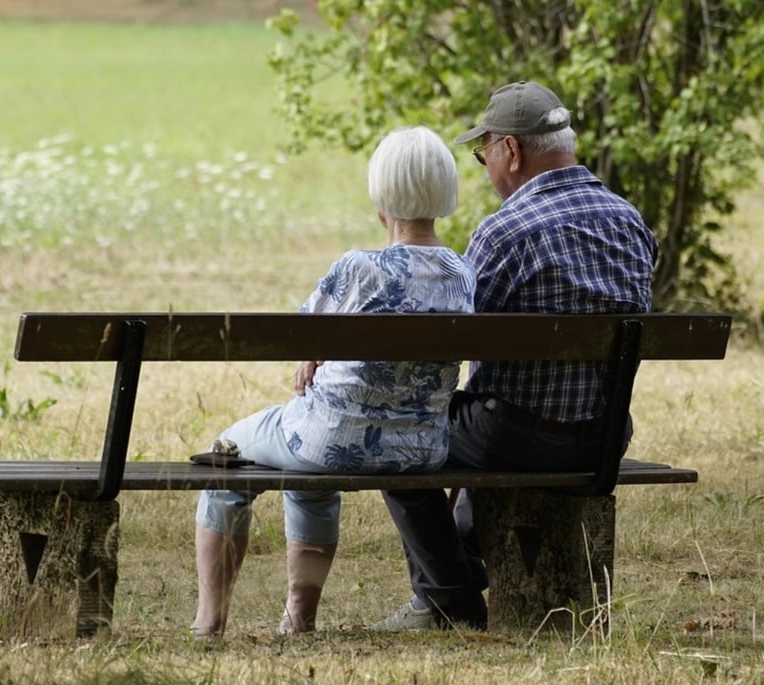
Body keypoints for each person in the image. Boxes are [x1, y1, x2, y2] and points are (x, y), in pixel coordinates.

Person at [369, 81, 659, 632]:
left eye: (484, 156)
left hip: (517, 438)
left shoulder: (504, 232)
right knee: (486, 415)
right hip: (603, 437)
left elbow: (454, 344)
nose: (486, 169)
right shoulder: (631, 222)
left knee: (397, 433)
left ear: (511, 151)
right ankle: (457, 576)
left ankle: (450, 600)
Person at [190, 126, 476, 638]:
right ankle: (298, 618)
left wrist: (312, 355)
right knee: (307, 470)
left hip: (330, 441)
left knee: (225, 454)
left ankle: (209, 621)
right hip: (420, 449)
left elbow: (299, 334)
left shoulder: (359, 268)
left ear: (381, 194)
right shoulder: (462, 273)